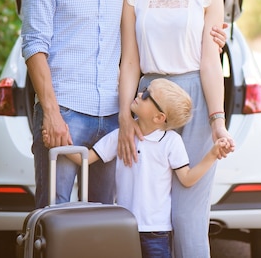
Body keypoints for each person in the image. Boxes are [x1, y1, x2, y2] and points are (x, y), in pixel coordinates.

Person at [20, 0, 228, 208]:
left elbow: (159, 20)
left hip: (115, 120)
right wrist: (50, 113)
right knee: (53, 213)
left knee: (106, 221)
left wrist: (214, 34)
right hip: (66, 113)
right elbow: (34, 48)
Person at [117, 0, 236, 258]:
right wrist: (126, 117)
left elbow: (209, 62)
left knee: (187, 214)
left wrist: (218, 122)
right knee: (145, 210)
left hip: (194, 101)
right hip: (148, 104)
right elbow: (130, 62)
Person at [45, 78, 231, 258]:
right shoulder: (121, 135)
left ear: (159, 117)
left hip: (157, 231)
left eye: (147, 94)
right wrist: (58, 143)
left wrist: (212, 155)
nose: (140, 93)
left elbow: (187, 178)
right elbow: (85, 158)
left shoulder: (171, 142)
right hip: (124, 226)